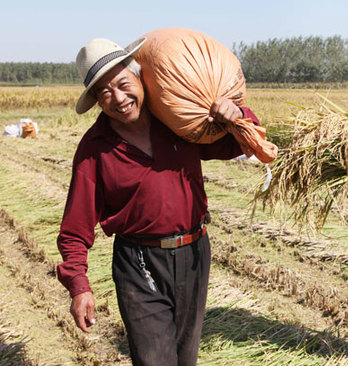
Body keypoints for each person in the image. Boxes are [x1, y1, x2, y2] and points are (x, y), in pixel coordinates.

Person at [56, 37, 261, 365]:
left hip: (195, 254)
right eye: (105, 93)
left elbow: (236, 146)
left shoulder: (176, 121)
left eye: (123, 84)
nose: (119, 99)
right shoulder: (95, 149)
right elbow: (74, 229)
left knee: (185, 358)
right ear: (97, 100)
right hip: (139, 263)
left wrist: (234, 115)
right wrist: (79, 285)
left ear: (139, 77)